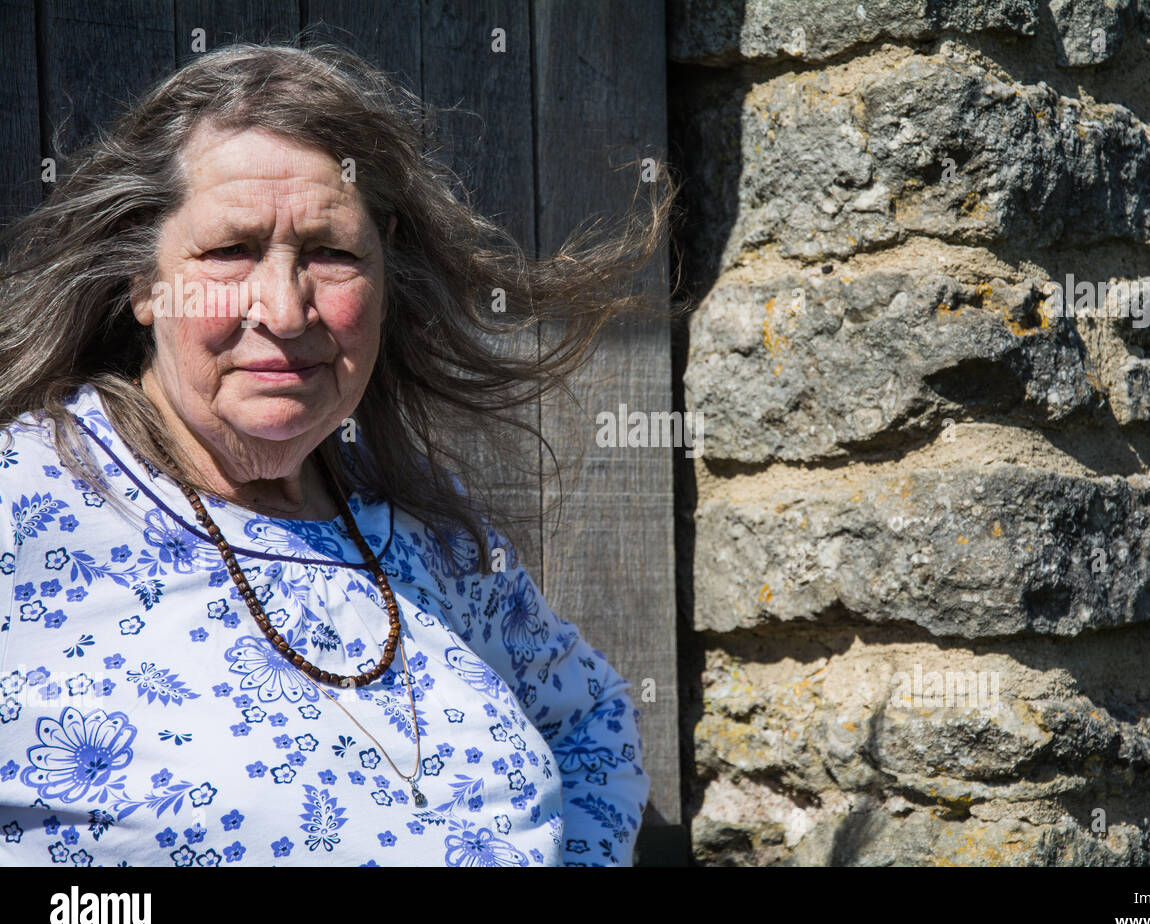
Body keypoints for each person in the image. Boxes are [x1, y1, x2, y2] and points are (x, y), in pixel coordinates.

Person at [0, 42, 675, 866]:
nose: (285, 310)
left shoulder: (424, 526)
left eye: (331, 253)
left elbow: (589, 718)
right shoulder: (26, 506)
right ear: (143, 281)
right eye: (230, 252)